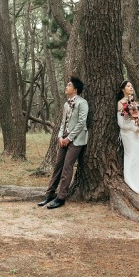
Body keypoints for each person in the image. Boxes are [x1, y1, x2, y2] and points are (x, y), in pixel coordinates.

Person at [38, 77, 89, 209]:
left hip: (77, 139)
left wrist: (69, 138)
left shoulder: (82, 103)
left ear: (75, 89)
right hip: (64, 138)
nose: (66, 87)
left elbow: (81, 123)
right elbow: (62, 123)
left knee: (67, 167)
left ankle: (61, 198)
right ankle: (49, 194)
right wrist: (61, 136)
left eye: (69, 85)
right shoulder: (66, 104)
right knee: (58, 165)